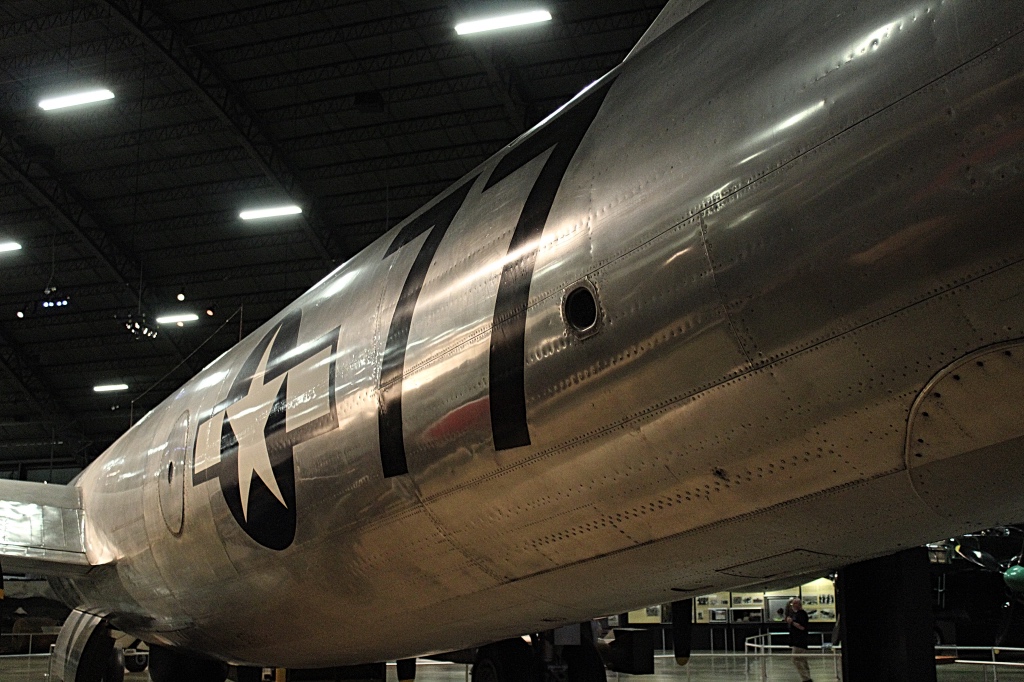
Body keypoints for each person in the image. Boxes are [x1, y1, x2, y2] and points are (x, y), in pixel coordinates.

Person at [786, 598, 812, 682]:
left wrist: (792, 622)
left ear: (798, 604)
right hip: (796, 640)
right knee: (803, 660)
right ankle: (807, 677)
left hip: (800, 641)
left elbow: (802, 627)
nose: (793, 606)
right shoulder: (795, 614)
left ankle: (806, 678)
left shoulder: (802, 614)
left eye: (794, 604)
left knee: (796, 659)